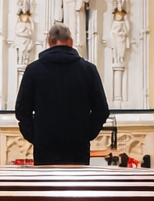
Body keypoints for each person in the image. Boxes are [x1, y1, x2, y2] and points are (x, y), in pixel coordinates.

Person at [14, 22, 108, 166]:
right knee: (77, 187)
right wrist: (86, 134)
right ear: (71, 42)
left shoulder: (34, 70)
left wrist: (36, 136)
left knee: (46, 187)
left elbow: (22, 110)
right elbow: (101, 110)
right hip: (78, 145)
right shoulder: (88, 70)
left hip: (44, 146)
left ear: (49, 42)